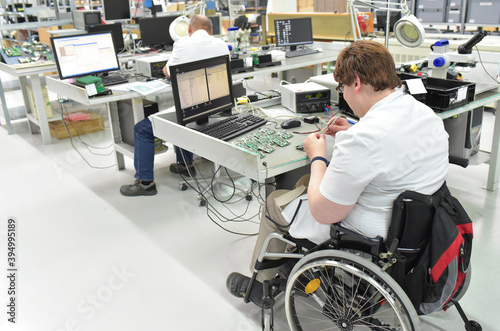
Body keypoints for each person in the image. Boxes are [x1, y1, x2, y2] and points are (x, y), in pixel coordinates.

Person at [226, 40, 450, 306]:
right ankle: (294, 261)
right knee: (304, 183)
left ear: (355, 83)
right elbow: (392, 146)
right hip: (418, 225)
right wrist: (352, 130)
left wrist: (317, 155)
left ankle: (261, 285)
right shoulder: (424, 114)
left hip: (373, 233)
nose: (343, 94)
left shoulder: (362, 139)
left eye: (342, 87)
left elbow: (323, 212)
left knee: (275, 203)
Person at [120, 15, 230, 196]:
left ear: (188, 30)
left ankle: (145, 182)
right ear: (211, 31)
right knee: (187, 117)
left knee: (143, 129)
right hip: (212, 107)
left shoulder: (182, 44)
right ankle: (185, 165)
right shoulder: (221, 44)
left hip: (190, 109)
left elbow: (168, 71)